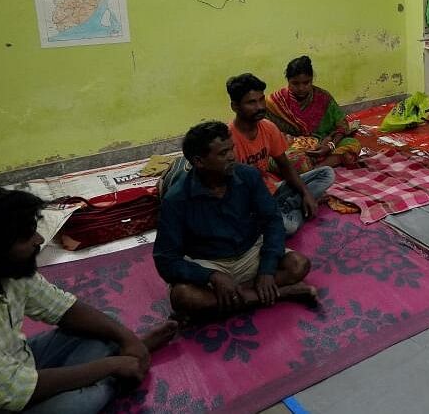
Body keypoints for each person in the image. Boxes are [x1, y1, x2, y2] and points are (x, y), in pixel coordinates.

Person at [0, 188, 176, 414]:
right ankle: (117, 377)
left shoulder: (1, 269)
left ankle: (122, 363)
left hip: (16, 361)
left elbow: (65, 309)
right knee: (75, 405)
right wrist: (112, 366)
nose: (39, 240)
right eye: (27, 236)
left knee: (106, 327)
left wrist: (129, 340)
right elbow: (15, 390)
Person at [153, 121, 318, 322]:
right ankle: (283, 293)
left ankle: (231, 298)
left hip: (250, 253)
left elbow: (272, 221)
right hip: (210, 262)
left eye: (231, 149)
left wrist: (266, 270)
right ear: (199, 161)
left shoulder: (248, 176)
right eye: (223, 154)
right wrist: (211, 276)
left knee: (299, 265)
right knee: (183, 297)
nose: (232, 156)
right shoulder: (176, 199)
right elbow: (166, 259)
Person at [227, 73, 335, 235]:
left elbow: (284, 164)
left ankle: (290, 206)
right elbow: (231, 191)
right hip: (249, 202)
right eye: (251, 102)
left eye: (261, 99)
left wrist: (306, 193)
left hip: (272, 190)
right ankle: (291, 209)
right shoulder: (227, 140)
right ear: (235, 106)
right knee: (288, 227)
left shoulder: (268, 127)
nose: (260, 107)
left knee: (327, 173)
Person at [265, 55, 362, 170]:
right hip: (290, 147)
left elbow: (342, 126)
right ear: (288, 81)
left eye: (306, 83)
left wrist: (330, 145)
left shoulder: (323, 98)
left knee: (352, 144)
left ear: (312, 80)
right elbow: (264, 131)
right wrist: (291, 141)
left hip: (323, 144)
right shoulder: (275, 102)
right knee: (293, 161)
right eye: (295, 84)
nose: (301, 88)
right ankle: (319, 165)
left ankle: (318, 168)